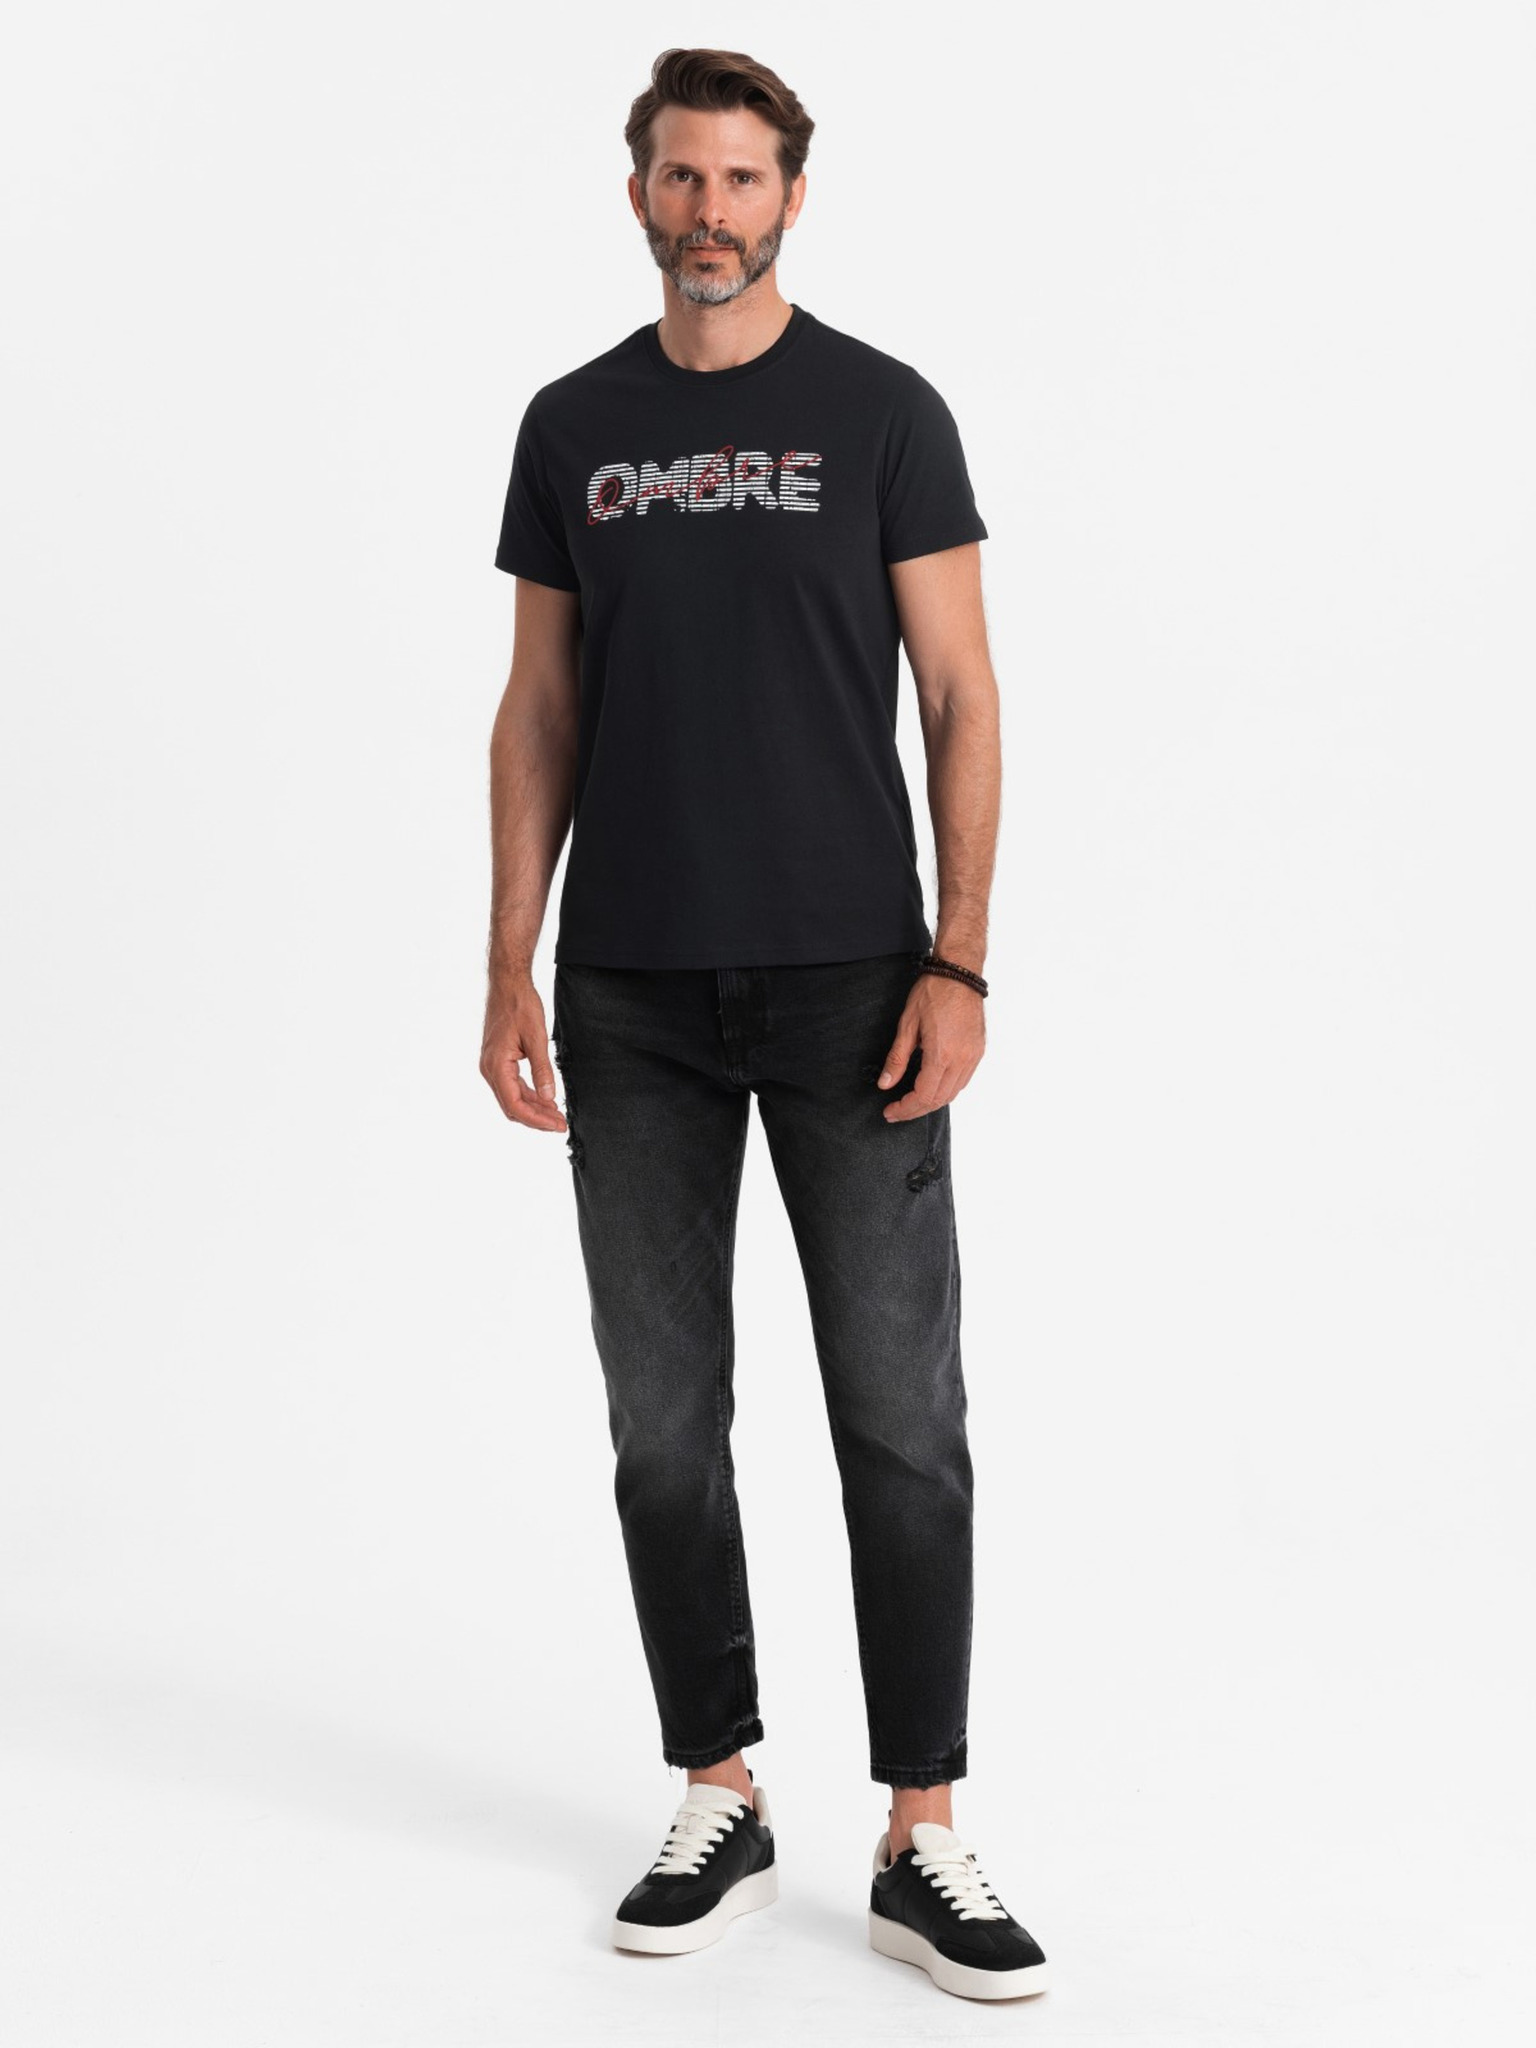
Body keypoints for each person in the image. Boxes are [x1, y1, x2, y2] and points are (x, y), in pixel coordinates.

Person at [480, 46, 1049, 2002]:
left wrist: (959, 960)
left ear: (792, 195)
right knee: (663, 1425)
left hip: (852, 990)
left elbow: (962, 694)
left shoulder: (882, 413)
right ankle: (717, 1790)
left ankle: (923, 1829)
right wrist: (508, 962)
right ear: (636, 191)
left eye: (741, 178)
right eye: (680, 175)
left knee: (901, 1417)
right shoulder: (572, 427)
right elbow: (539, 706)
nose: (708, 210)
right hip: (629, 992)